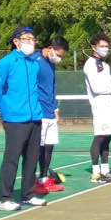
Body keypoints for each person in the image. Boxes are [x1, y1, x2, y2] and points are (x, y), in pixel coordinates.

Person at [0, 27, 47, 211]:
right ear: (16, 41)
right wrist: (2, 109)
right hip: (15, 119)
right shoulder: (5, 63)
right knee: (12, 159)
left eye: (32, 38)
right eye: (26, 38)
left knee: (32, 158)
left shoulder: (34, 64)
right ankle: (4, 198)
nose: (31, 42)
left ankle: (28, 195)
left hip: (34, 117)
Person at [83, 33, 111, 183]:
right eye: (102, 46)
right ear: (94, 47)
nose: (105, 49)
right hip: (99, 106)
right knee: (99, 137)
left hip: (110, 105)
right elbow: (97, 88)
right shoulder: (90, 64)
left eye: (107, 46)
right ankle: (95, 173)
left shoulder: (105, 65)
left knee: (107, 138)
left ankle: (105, 170)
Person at [34, 36, 69, 194]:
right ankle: (33, 182)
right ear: (50, 48)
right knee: (37, 149)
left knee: (49, 147)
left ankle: (44, 179)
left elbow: (51, 87)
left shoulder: (51, 64)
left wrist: (55, 108)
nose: (60, 58)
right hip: (38, 112)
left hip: (50, 112)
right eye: (59, 55)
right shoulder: (34, 61)